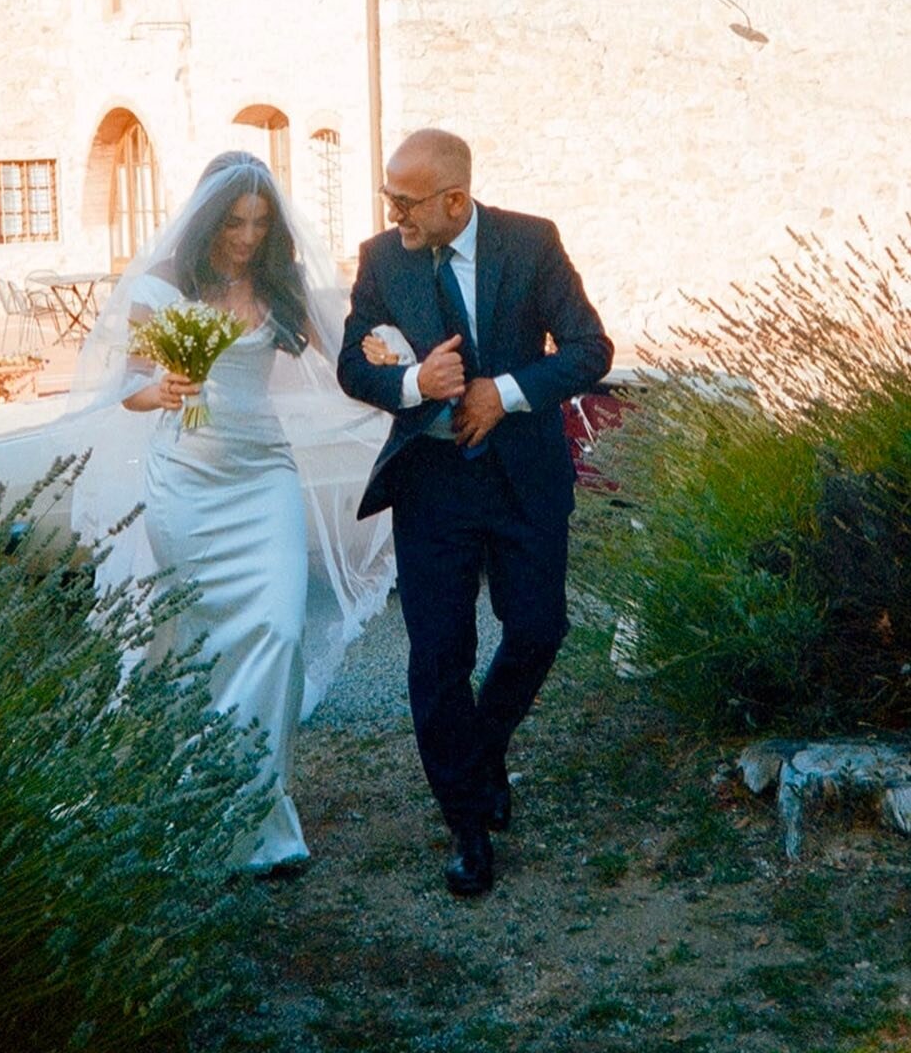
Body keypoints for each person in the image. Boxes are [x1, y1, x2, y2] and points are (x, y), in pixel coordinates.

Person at [68, 151, 393, 873]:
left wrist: (385, 354)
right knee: (207, 644)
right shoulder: (162, 287)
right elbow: (129, 389)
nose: (246, 237)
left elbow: (347, 360)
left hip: (263, 477)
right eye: (234, 222)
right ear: (207, 218)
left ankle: (262, 817)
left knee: (277, 632)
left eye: (259, 223)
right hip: (185, 481)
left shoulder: (279, 288)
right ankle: (206, 800)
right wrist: (161, 390)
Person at [337, 130, 613, 897]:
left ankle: (481, 749)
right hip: (431, 486)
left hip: (522, 478)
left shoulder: (530, 243)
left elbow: (590, 349)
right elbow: (352, 365)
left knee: (537, 629)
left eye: (404, 200)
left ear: (454, 200)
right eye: (387, 197)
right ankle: (464, 824)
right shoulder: (382, 258)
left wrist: (506, 391)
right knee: (437, 656)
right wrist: (415, 385)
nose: (391, 212)